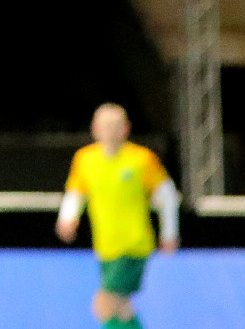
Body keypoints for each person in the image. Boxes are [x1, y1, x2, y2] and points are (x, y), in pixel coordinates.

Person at [57, 103, 180, 327]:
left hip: (133, 245)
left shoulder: (141, 159)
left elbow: (168, 196)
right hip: (105, 247)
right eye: (105, 126)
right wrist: (67, 219)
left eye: (116, 126)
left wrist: (170, 233)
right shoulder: (85, 159)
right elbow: (75, 193)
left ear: (126, 129)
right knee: (122, 309)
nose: (110, 131)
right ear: (95, 129)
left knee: (103, 304)